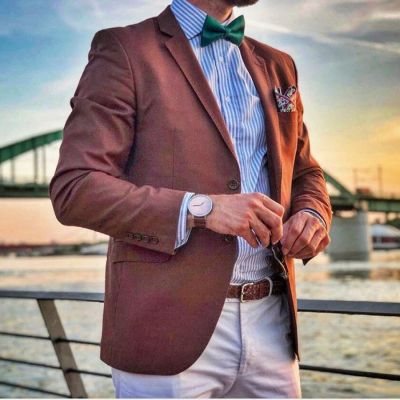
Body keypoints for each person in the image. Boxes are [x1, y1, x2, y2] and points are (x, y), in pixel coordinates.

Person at [49, 0, 332, 397]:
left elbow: (305, 172)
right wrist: (203, 209)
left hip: (273, 326)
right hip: (164, 330)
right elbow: (75, 187)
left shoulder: (279, 64)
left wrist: (313, 212)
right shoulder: (125, 49)